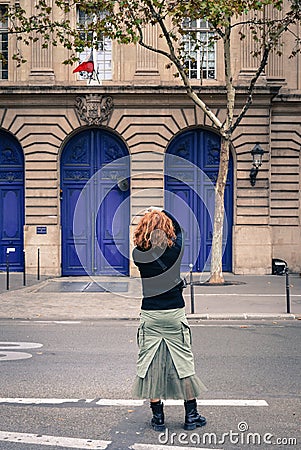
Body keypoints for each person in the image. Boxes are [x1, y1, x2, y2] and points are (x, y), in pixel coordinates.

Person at [132, 208, 207, 431]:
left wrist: (149, 218)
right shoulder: (176, 252)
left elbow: (142, 242)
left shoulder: (138, 255)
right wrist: (162, 212)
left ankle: (158, 419)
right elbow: (181, 231)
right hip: (174, 313)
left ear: (144, 230)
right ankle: (191, 417)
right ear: (167, 229)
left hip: (151, 315)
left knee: (151, 366)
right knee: (183, 364)